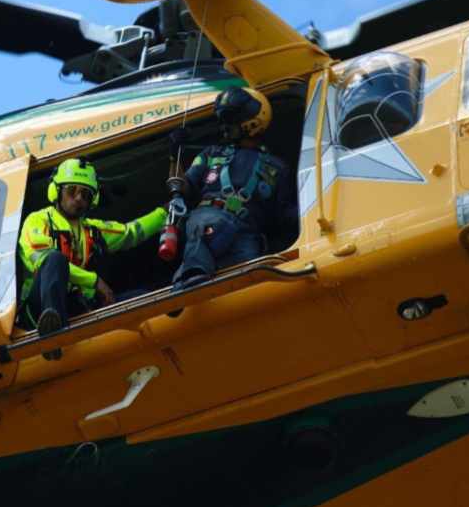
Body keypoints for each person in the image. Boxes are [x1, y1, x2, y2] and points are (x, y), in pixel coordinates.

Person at [18, 158, 166, 338]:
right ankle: (53, 333)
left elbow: (130, 233)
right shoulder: (38, 220)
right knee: (55, 259)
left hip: (80, 308)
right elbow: (42, 259)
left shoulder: (92, 230)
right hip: (38, 310)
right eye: (72, 191)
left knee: (144, 297)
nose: (79, 198)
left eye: (86, 195)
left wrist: (165, 213)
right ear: (56, 191)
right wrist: (94, 281)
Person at [171, 86, 295, 289]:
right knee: (206, 228)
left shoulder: (278, 168)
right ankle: (187, 281)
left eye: (231, 120)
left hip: (246, 234)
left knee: (249, 285)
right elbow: (181, 187)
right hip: (209, 219)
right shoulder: (212, 154)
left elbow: (284, 215)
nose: (225, 127)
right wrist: (173, 154)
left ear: (252, 121)